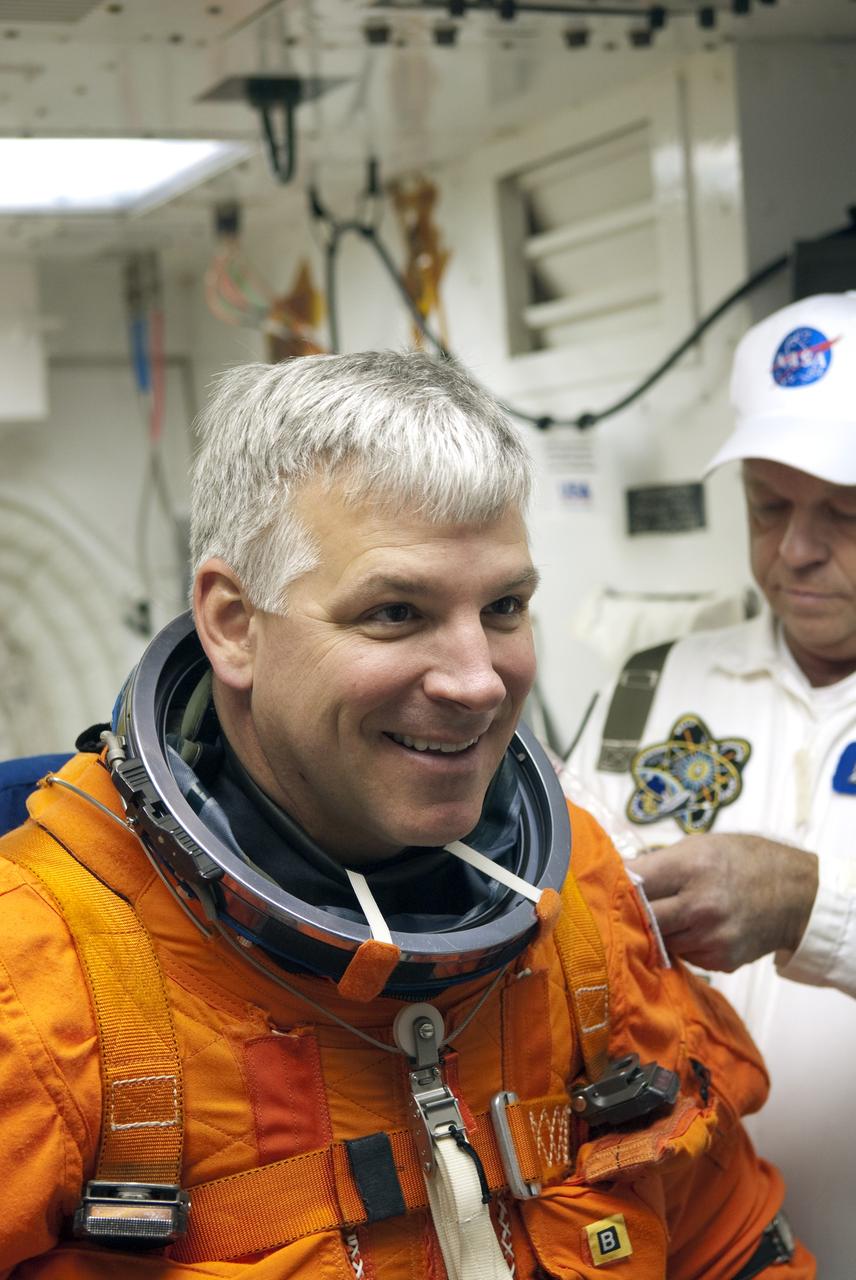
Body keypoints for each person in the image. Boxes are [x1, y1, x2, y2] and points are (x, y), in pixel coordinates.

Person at [0, 351, 813, 1280]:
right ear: (233, 623)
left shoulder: (576, 900)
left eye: (503, 606)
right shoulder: (45, 981)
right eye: (395, 612)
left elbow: (730, 1246)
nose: (478, 682)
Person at [566, 292, 856, 1276]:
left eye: (845, 512)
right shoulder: (652, 685)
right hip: (691, 1246)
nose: (796, 549)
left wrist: (812, 904)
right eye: (768, 506)